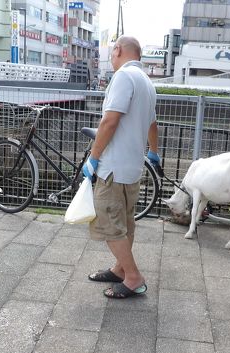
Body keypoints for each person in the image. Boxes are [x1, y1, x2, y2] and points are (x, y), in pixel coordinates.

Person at [82, 35, 161, 299]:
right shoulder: (147, 83)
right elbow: (152, 124)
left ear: (117, 50)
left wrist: (93, 158)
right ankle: (119, 269)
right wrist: (154, 152)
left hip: (113, 168)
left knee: (108, 221)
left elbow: (110, 121)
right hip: (133, 169)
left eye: (111, 51)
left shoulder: (124, 78)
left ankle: (133, 277)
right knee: (125, 222)